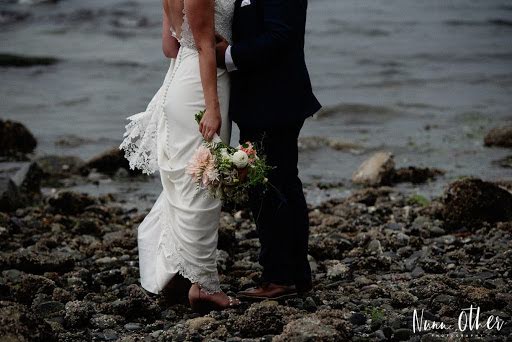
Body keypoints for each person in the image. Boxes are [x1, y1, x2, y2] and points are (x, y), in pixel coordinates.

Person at [119, 0, 240, 313]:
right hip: (202, 89)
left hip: (182, 78)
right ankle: (204, 285)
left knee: (192, 184)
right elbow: (203, 47)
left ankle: (180, 274)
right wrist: (213, 108)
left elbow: (169, 47)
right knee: (205, 185)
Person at [215, 0, 322, 300]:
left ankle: (279, 277)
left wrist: (227, 55)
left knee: (269, 187)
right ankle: (294, 274)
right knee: (280, 183)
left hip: (276, 99)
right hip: (262, 100)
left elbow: (281, 36)